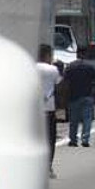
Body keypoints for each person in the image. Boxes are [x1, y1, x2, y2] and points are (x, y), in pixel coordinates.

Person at [36, 44, 62, 178]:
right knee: (50, 139)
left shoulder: (31, 67)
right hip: (49, 109)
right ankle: (48, 167)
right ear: (47, 55)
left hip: (34, 110)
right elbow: (59, 84)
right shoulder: (52, 69)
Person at [66, 46, 95, 147]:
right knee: (87, 119)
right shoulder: (90, 67)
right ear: (85, 54)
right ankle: (85, 139)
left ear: (77, 54)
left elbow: (65, 82)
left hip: (74, 96)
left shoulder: (70, 67)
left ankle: (73, 139)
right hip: (87, 95)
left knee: (73, 120)